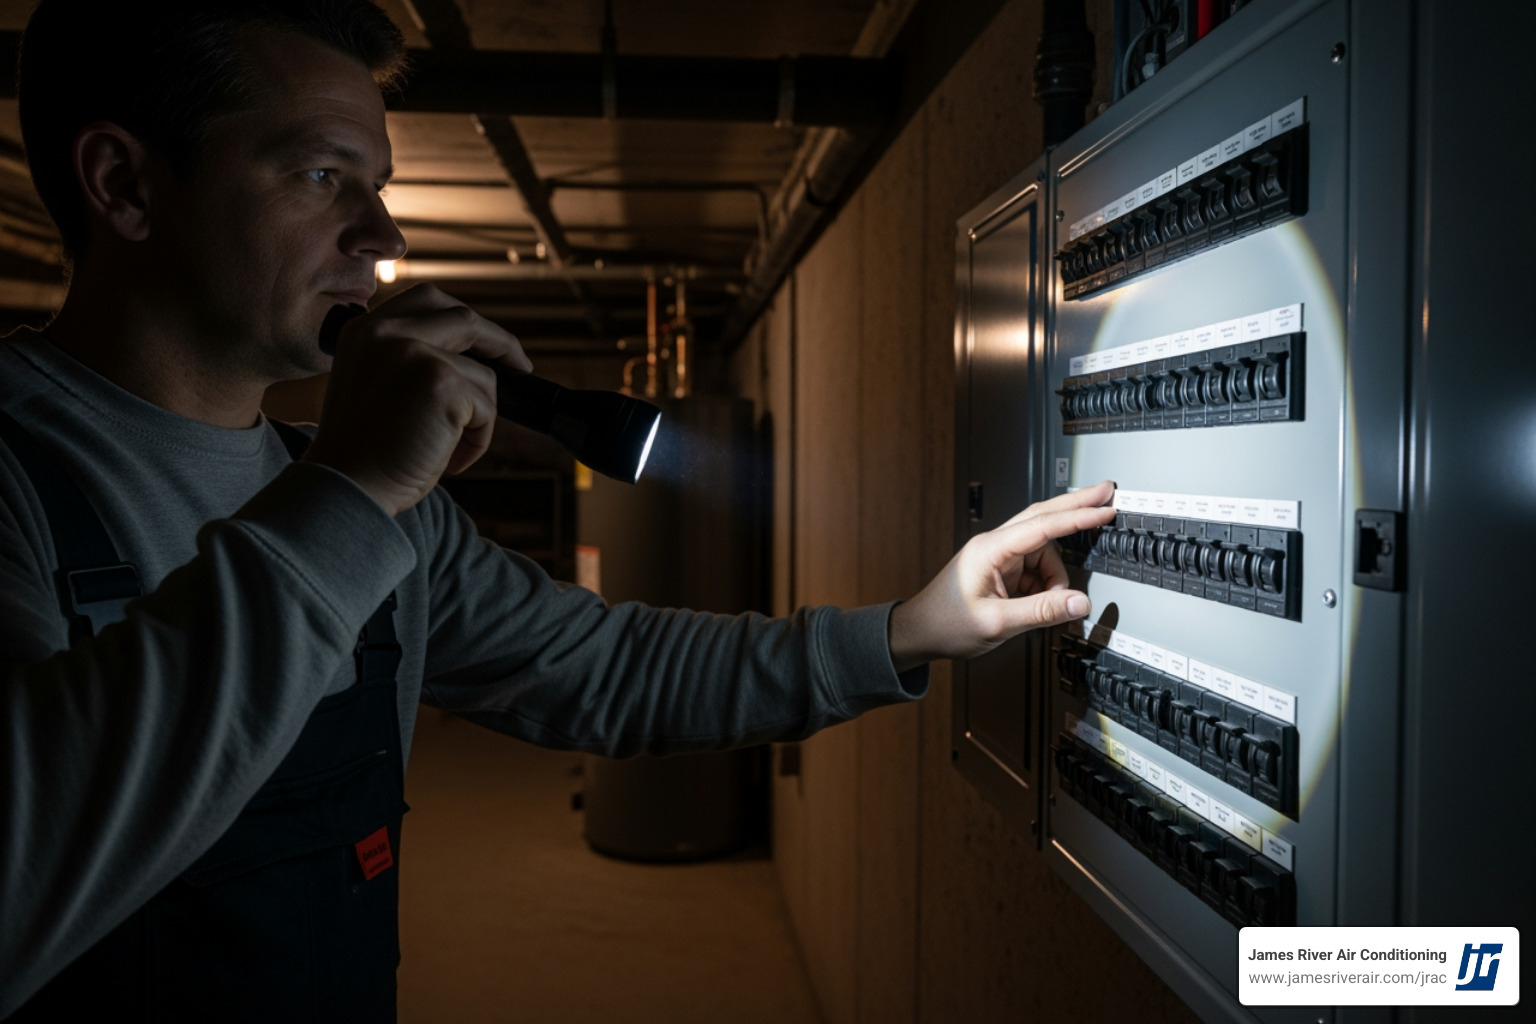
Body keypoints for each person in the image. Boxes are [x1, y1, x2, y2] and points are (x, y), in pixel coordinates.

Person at [0, 1, 1116, 1019]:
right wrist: (351, 490)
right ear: (125, 185)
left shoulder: (376, 507)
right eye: (320, 177)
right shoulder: (28, 482)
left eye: (376, 183)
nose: (383, 235)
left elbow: (609, 668)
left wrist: (914, 625)